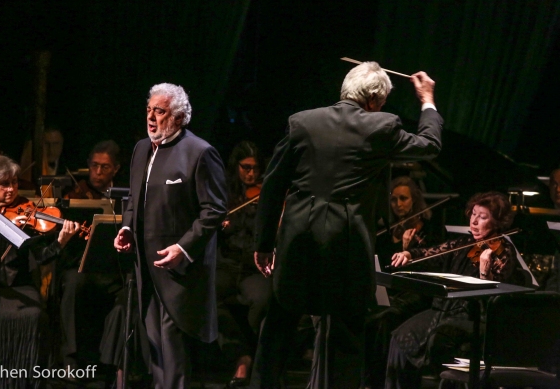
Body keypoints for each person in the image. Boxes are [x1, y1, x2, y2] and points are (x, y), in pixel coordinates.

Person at [252, 62, 444, 389]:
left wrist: (263, 244)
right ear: (372, 100)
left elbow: (272, 186)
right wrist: (427, 99)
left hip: (297, 239)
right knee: (346, 335)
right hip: (346, 243)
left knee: (278, 329)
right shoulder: (382, 126)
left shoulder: (302, 122)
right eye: (381, 103)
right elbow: (429, 145)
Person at [114, 83, 228, 388]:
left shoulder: (200, 153)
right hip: (145, 264)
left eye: (159, 111)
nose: (151, 117)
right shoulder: (141, 149)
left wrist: (183, 247)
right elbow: (133, 199)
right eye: (149, 109)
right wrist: (126, 227)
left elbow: (214, 211)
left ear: (177, 117)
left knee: (172, 347)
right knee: (154, 344)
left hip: (178, 269)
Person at [0, 155, 80, 388]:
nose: (11, 189)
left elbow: (43, 257)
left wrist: (61, 242)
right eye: (3, 184)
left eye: (14, 182)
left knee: (35, 315)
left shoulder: (26, 214)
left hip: (18, 284)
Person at [385, 191, 525, 388]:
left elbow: (493, 293)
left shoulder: (503, 252)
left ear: (497, 223)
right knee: (399, 338)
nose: (474, 221)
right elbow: (432, 253)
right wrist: (409, 253)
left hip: (472, 315)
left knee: (439, 342)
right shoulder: (463, 243)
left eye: (482, 217)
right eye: (473, 214)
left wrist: (486, 273)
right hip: (443, 310)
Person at [59, 139, 126, 377]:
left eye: (105, 167)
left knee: (129, 294)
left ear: (116, 169)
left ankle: (113, 363)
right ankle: (71, 360)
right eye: (94, 165)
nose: (97, 172)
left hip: (114, 269)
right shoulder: (76, 195)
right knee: (74, 286)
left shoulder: (124, 197)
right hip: (80, 267)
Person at [368, 176, 435, 388]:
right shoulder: (386, 231)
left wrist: (408, 250)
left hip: (414, 291)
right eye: (394, 199)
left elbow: (429, 269)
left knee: (386, 318)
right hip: (388, 289)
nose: (398, 204)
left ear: (414, 199)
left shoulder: (426, 230)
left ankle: (383, 379)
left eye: (404, 198)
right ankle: (367, 380)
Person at [217, 141, 271, 388]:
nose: (251, 174)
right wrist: (220, 225)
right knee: (207, 296)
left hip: (253, 268)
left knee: (262, 300)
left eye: (255, 169)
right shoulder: (223, 194)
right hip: (226, 264)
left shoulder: (266, 195)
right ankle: (241, 356)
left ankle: (253, 361)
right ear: (236, 167)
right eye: (245, 168)